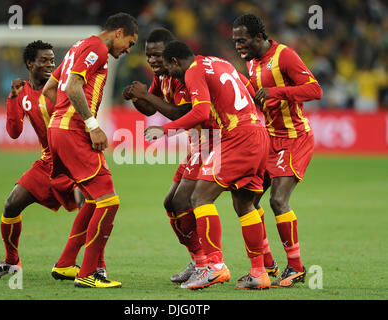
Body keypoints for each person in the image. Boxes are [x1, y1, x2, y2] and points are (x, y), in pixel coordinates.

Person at [145, 41, 271, 290]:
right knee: (244, 203)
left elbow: (201, 112)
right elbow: (251, 90)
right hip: (258, 132)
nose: (173, 77)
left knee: (200, 197)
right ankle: (259, 272)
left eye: (171, 71)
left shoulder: (193, 70)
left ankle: (214, 266)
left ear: (174, 62)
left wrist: (165, 130)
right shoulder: (220, 62)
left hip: (237, 136)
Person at [42, 12, 138, 288]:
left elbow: (50, 88)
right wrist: (90, 125)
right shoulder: (97, 47)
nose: (128, 50)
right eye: (129, 43)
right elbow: (72, 86)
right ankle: (89, 273)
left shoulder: (77, 47)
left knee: (93, 199)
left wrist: (62, 119)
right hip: (73, 131)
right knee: (109, 201)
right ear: (118, 32)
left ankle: (65, 265)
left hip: (60, 130)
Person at [232, 13, 323, 288]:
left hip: (295, 138)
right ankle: (268, 265)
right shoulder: (251, 62)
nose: (238, 46)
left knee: (278, 200)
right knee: (246, 199)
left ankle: (296, 267)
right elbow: (260, 99)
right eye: (235, 41)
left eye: (242, 40)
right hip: (269, 139)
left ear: (259, 37)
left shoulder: (285, 56)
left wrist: (278, 92)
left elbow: (315, 90)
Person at [0, 40, 85, 280]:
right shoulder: (24, 93)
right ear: (30, 63)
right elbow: (14, 132)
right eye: (44, 60)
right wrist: (12, 98)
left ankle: (90, 265)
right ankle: (11, 261)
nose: (51, 64)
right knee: (11, 205)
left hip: (72, 161)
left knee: (89, 207)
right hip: (47, 163)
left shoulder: (63, 88)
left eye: (52, 60)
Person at [122, 28, 206, 284]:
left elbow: (181, 113)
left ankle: (206, 263)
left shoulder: (185, 75)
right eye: (148, 56)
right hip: (196, 144)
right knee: (170, 202)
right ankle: (196, 261)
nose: (153, 61)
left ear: (171, 54)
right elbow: (151, 108)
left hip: (213, 141)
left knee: (183, 201)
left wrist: (145, 95)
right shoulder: (162, 77)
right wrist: (137, 97)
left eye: (158, 55)